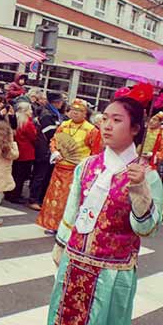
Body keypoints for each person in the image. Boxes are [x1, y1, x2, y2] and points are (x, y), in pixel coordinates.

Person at [26, 87, 163, 325]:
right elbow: (72, 210)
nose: (106, 125)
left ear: (135, 129)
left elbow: (146, 229)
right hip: (75, 266)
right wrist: (61, 247)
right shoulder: (87, 166)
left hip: (111, 273)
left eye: (117, 120)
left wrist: (139, 193)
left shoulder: (146, 176)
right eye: (105, 118)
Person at [35, 99, 101, 233]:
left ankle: (65, 227)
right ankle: (52, 225)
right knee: (54, 198)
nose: (75, 113)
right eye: (73, 110)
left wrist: (88, 166)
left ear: (85, 114)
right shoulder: (63, 125)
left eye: (80, 111)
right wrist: (55, 151)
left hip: (76, 170)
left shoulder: (92, 130)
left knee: (70, 200)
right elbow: (54, 140)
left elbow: (95, 152)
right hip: (59, 168)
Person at [29, 91, 64, 210]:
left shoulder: (55, 114)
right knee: (40, 175)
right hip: (44, 149)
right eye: (61, 101)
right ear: (56, 102)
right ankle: (34, 199)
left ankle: (40, 199)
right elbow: (50, 133)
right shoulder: (47, 114)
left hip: (49, 150)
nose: (62, 103)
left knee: (46, 175)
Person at [11, 101, 37, 203]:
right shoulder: (27, 123)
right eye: (30, 109)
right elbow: (33, 137)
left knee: (14, 173)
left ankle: (10, 193)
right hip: (26, 152)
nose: (31, 111)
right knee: (21, 176)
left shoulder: (15, 119)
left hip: (17, 149)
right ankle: (16, 195)